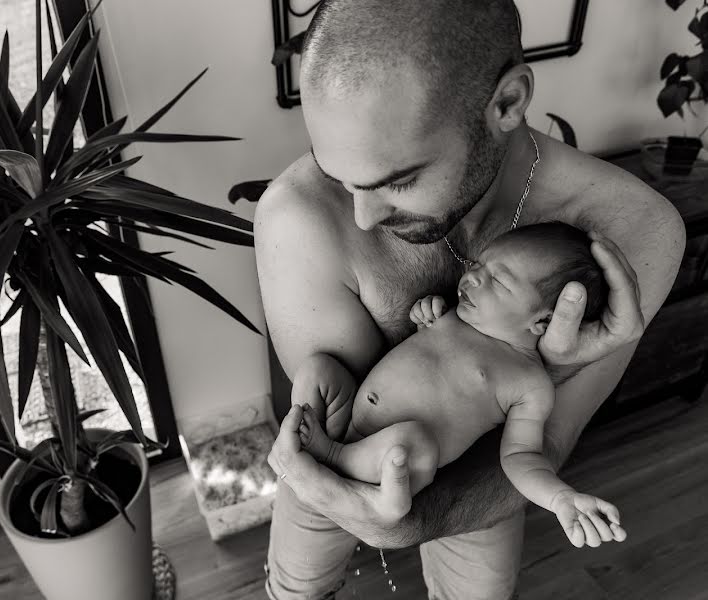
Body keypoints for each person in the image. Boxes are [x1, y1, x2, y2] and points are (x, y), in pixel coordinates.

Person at [253, 1, 685, 598]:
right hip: (335, 457)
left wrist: (562, 366)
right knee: (296, 588)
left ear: (507, 103)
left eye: (398, 181)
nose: (363, 215)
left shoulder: (631, 230)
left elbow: (541, 446)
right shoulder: (299, 217)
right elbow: (330, 411)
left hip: (477, 481)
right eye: (343, 179)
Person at [289, 222, 627, 551]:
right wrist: (426, 317)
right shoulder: (455, 315)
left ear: (544, 322)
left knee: (415, 441)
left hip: (393, 465)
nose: (475, 276)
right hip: (349, 420)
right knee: (318, 369)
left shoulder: (528, 383)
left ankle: (332, 456)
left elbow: (521, 456)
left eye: (498, 281)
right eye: (479, 264)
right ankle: (310, 438)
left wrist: (560, 498)